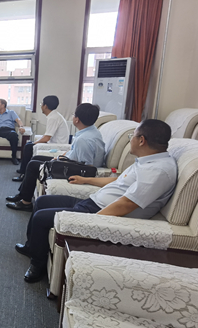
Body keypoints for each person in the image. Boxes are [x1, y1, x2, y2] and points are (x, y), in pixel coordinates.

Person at [14, 119, 177, 283]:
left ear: (142, 140)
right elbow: (119, 180)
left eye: (132, 136)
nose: (130, 140)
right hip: (93, 202)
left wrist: (92, 220)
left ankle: (38, 265)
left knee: (41, 218)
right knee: (42, 201)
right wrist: (86, 180)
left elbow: (127, 204)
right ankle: (32, 247)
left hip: (99, 211)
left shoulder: (158, 170)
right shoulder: (147, 161)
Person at [6, 103, 105, 211]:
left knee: (33, 165)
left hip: (73, 169)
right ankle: (22, 195)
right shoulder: (92, 131)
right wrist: (61, 157)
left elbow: (86, 167)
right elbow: (74, 152)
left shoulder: (84, 140)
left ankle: (26, 202)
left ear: (77, 120)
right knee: (36, 158)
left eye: (74, 114)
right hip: (70, 161)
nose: (73, 116)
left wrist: (61, 162)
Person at [13, 95, 69, 181]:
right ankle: (23, 169)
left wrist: (34, 143)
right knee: (29, 144)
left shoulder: (53, 118)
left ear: (45, 106)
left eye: (41, 104)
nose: (41, 106)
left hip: (57, 146)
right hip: (54, 143)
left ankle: (24, 174)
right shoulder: (54, 115)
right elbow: (47, 135)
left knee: (29, 146)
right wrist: (34, 142)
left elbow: (46, 138)